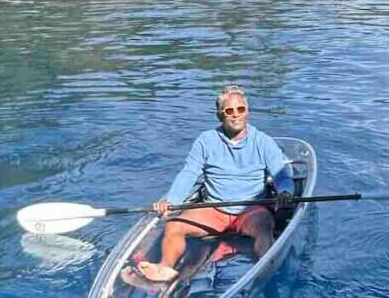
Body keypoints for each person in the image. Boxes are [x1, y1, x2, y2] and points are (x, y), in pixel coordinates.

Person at [123, 85, 295, 284]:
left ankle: (265, 266)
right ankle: (165, 267)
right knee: (174, 226)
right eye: (229, 111)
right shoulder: (206, 141)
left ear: (247, 112)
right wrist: (172, 201)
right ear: (220, 115)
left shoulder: (263, 142)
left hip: (250, 209)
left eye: (241, 109)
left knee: (264, 228)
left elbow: (283, 175)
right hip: (213, 208)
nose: (236, 115)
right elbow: (189, 173)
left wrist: (285, 191)